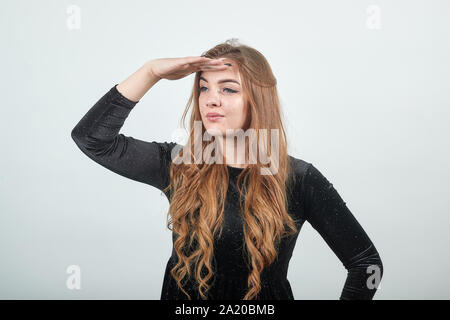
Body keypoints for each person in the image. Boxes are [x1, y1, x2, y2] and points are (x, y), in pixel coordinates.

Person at [71, 39, 383, 300]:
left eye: (228, 89)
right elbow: (91, 138)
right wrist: (150, 71)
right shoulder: (180, 164)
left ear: (257, 100)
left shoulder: (298, 178)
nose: (211, 100)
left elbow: (366, 264)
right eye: (204, 88)